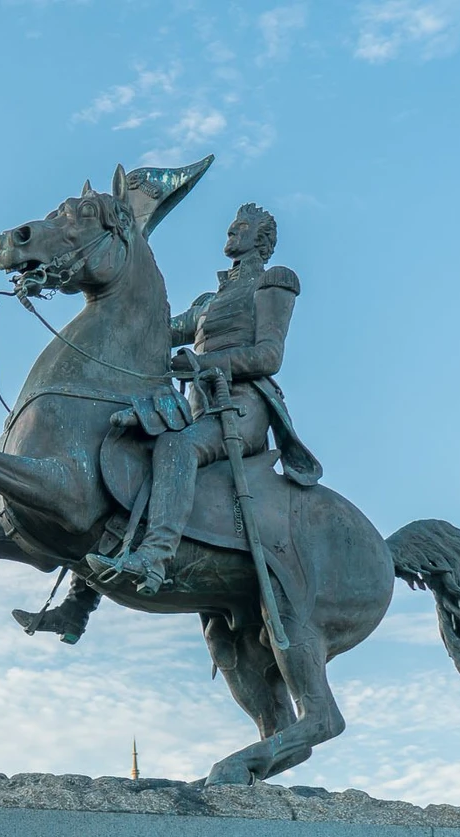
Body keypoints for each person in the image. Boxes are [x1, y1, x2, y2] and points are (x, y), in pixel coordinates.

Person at [83, 202, 321, 596]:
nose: (231, 231)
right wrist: (106, 290)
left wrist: (202, 361)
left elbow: (269, 356)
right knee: (123, 457)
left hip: (242, 407)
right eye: (231, 225)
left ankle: (154, 558)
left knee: (175, 448)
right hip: (199, 412)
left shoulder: (272, 281)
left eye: (241, 227)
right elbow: (156, 333)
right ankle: (79, 604)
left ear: (261, 240)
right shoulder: (206, 303)